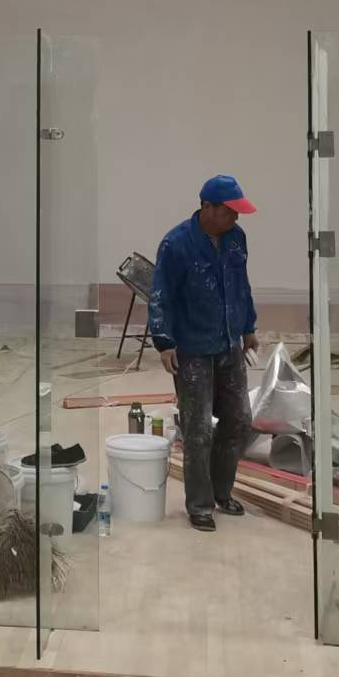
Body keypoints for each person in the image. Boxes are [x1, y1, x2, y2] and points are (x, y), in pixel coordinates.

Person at [147, 175, 259, 531]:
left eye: (237, 213)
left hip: (228, 343)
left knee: (239, 420)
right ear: (207, 207)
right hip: (192, 348)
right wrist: (164, 342)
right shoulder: (176, 244)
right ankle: (199, 505)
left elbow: (242, 286)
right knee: (197, 429)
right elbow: (160, 294)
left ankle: (222, 491)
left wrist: (248, 327)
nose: (235, 218)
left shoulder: (236, 238)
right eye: (230, 212)